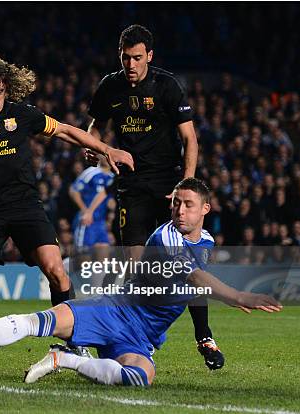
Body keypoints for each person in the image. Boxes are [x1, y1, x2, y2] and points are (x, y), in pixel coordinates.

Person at [0, 178, 282, 386]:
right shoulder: (166, 236)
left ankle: (64, 360)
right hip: (113, 309)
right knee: (42, 322)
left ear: (205, 209)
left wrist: (204, 335)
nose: (179, 210)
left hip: (142, 337)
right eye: (176, 203)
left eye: (188, 205)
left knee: (141, 378)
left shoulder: (205, 242)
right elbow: (193, 277)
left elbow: (193, 289)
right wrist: (236, 295)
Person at [0, 54, 134, 374]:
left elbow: (65, 130)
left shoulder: (23, 115)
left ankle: (74, 343)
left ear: (6, 90)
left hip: (26, 207)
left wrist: (107, 149)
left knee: (57, 271)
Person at [86, 24, 222, 369]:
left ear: (149, 56)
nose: (130, 64)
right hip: (131, 189)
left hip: (168, 190)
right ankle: (132, 336)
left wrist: (186, 186)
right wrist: (99, 150)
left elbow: (190, 139)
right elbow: (94, 130)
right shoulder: (109, 87)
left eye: (137, 57)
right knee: (136, 264)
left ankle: (204, 335)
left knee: (189, 265)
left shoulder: (167, 86)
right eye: (125, 57)